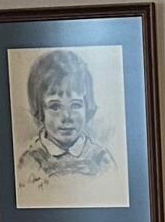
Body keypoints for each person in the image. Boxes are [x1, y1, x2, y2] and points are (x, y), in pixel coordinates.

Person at [12, 48, 122, 204]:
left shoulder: (100, 159)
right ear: (40, 110)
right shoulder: (30, 161)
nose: (67, 117)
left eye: (76, 105)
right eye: (55, 107)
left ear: (87, 107)